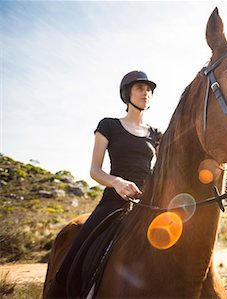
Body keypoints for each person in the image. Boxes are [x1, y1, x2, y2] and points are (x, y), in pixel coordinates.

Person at [52, 70, 162, 296]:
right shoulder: (109, 126)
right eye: (140, 88)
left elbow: (163, 170)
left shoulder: (156, 134)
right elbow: (95, 170)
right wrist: (118, 183)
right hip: (113, 202)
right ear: (127, 93)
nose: (146, 93)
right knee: (76, 254)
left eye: (149, 90)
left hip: (147, 204)